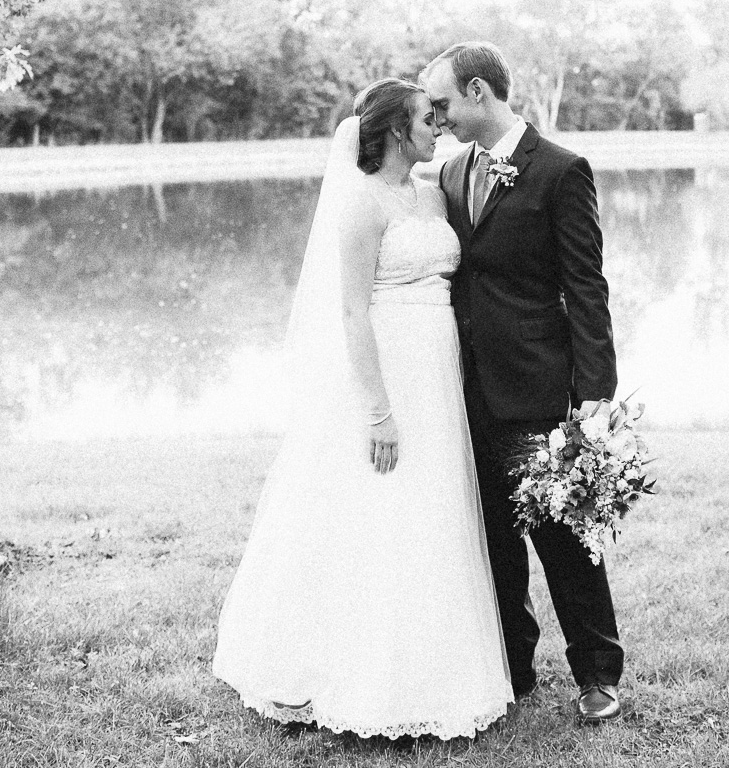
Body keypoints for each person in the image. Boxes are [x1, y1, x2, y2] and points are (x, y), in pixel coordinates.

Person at [211, 78, 513, 740]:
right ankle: (366, 680)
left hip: (439, 377)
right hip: (390, 373)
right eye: (426, 118)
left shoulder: (432, 191)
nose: (437, 124)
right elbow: (350, 311)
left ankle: (437, 671)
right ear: (396, 130)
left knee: (434, 509)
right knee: (380, 512)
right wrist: (378, 409)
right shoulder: (359, 204)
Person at [421, 40, 626, 723]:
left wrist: (595, 391)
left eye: (444, 101)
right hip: (461, 389)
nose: (437, 115)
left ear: (479, 92)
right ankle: (512, 668)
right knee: (491, 540)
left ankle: (597, 673)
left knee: (562, 538)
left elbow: (586, 286)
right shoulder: (449, 173)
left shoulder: (562, 171)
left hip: (537, 387)